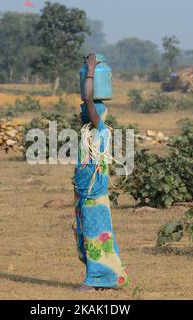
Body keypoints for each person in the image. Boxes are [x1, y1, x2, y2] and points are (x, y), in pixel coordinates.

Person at [73, 53, 129, 292]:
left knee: (95, 234)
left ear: (93, 113)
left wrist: (91, 69)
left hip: (93, 193)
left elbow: (87, 97)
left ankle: (97, 279)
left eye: (83, 110)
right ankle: (106, 276)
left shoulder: (99, 128)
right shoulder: (90, 131)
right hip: (87, 191)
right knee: (87, 232)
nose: (80, 112)